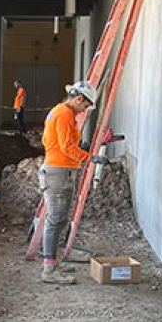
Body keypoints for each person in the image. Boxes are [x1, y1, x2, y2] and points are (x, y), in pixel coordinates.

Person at [37, 81, 107, 284]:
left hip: (59, 170)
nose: (84, 110)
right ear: (78, 99)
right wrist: (89, 157)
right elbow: (67, 146)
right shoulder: (65, 114)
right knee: (55, 220)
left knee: (58, 220)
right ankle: (49, 270)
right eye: (85, 106)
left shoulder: (60, 112)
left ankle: (53, 262)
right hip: (58, 173)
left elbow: (52, 142)